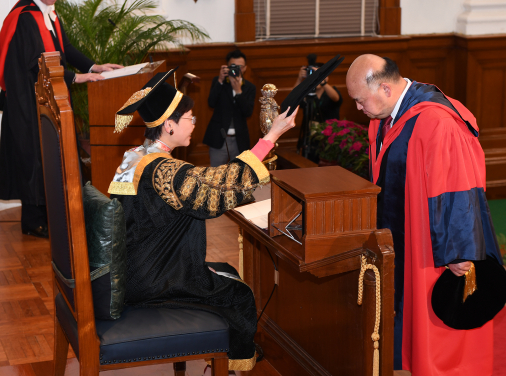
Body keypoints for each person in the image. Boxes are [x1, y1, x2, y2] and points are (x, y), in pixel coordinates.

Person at [108, 69, 298, 371]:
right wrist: (271, 136)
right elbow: (217, 187)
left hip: (130, 268)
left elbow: (146, 223)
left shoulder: (133, 157)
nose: (195, 123)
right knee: (239, 295)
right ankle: (234, 363)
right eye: (189, 119)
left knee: (223, 272)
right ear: (168, 125)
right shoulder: (165, 171)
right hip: (153, 280)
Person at [346, 54, 503, 375]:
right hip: (402, 233)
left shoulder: (437, 122)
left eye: (361, 100)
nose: (358, 109)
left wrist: (460, 251)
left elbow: (459, 186)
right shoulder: (388, 117)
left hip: (432, 243)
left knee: (435, 327)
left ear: (386, 88)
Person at [0, 0, 122, 238]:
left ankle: (48, 216)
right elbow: (37, 62)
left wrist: (94, 66)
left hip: (46, 97)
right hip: (28, 101)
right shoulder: (25, 17)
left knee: (49, 155)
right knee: (35, 157)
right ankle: (32, 221)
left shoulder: (51, 15)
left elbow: (64, 48)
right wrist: (77, 78)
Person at [204, 49, 256, 167]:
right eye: (233, 66)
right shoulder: (219, 82)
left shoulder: (249, 87)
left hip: (239, 140)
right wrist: (220, 81)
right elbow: (211, 103)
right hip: (219, 138)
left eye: (240, 67)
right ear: (226, 67)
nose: (236, 70)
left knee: (239, 174)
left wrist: (238, 92)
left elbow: (248, 112)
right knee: (216, 175)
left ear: (245, 68)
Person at [293, 62, 342, 161]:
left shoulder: (331, 91)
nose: (316, 80)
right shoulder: (308, 94)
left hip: (329, 139)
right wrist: (299, 79)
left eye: (319, 75)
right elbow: (293, 100)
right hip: (309, 139)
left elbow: (336, 98)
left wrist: (323, 82)